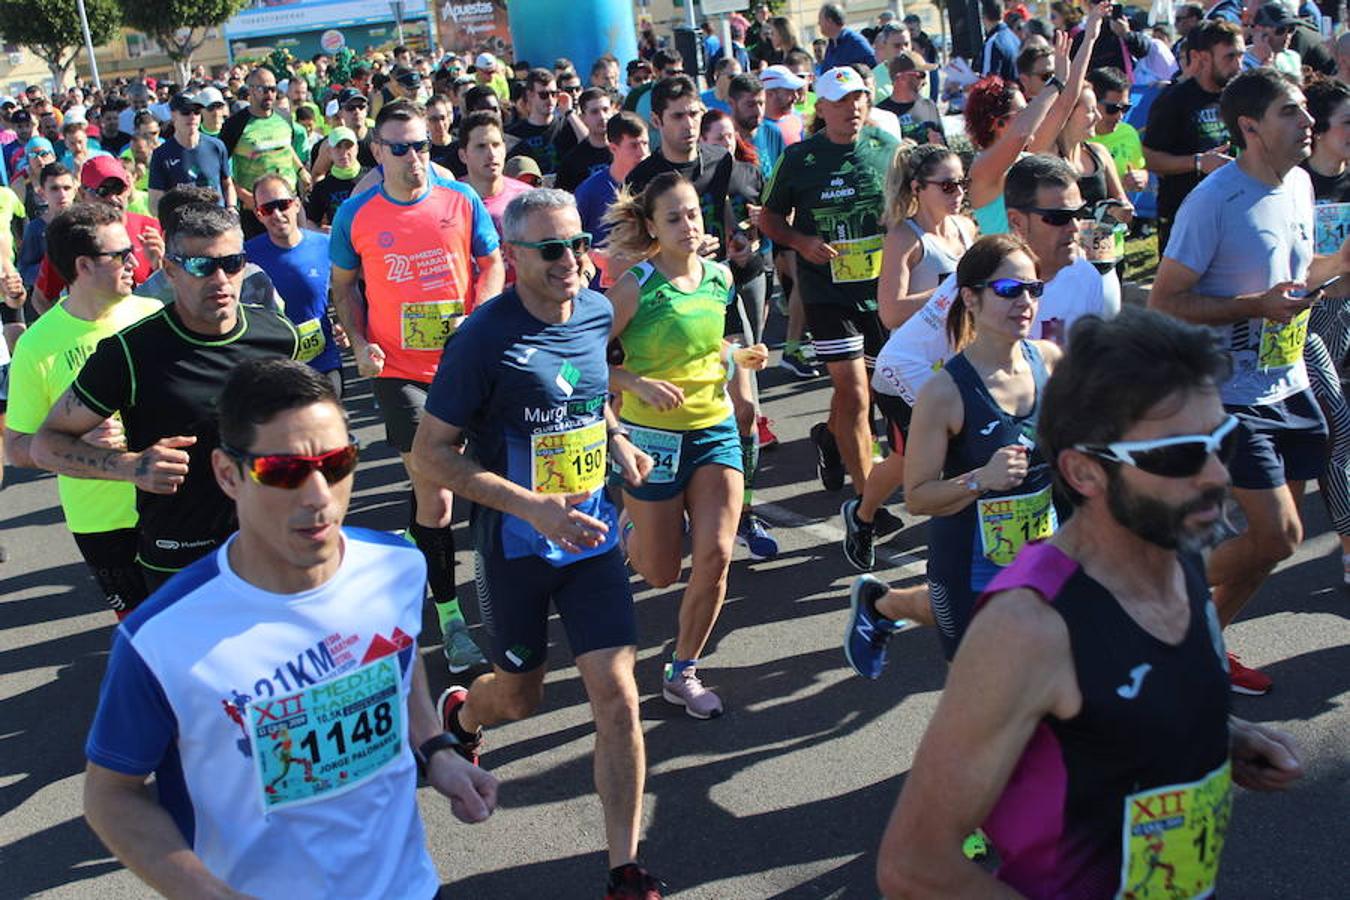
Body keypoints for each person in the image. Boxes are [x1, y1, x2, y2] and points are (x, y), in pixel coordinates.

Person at [875, 307, 1304, 899]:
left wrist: (1222, 738)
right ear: (1085, 472)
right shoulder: (1029, 625)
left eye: (1221, 439)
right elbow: (914, 867)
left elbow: (1110, 716)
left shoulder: (1173, 545)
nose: (1213, 475)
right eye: (1178, 454)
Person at [82, 357, 498, 898]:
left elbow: (401, 660)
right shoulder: (160, 638)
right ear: (228, 474)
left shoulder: (396, 567)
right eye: (283, 471)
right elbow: (110, 796)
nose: (319, 495)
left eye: (337, 462)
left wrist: (438, 750)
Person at [411, 188, 664, 900]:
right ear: (515, 256)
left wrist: (617, 443)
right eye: (552, 249)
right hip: (517, 548)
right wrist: (534, 508)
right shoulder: (482, 338)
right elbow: (430, 456)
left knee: (617, 696)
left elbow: (586, 394)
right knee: (520, 698)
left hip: (590, 541)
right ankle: (462, 714)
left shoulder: (591, 309)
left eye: (578, 244)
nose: (571, 261)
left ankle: (625, 866)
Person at [1150, 68, 1350, 695]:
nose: (1308, 122)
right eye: (1291, 112)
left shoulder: (1297, 185)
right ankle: (1144, 607)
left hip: (1289, 384)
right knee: (1281, 533)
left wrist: (1339, 265)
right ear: (1249, 127)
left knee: (1270, 544)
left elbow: (1298, 277)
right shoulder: (1213, 201)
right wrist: (1253, 306)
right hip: (1227, 396)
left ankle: (1200, 643)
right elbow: (1165, 302)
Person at [32, 202, 299, 590]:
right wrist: (130, 467)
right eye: (201, 266)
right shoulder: (127, 353)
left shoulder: (278, 334)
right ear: (170, 271)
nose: (221, 279)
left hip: (272, 545)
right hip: (183, 561)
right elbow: (45, 445)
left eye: (233, 263)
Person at [330, 99, 504, 676]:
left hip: (464, 364)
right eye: (400, 148)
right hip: (401, 373)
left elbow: (493, 261)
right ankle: (453, 620)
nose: (414, 158)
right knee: (439, 495)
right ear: (377, 152)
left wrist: (477, 317)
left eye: (422, 146)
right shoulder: (354, 215)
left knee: (469, 485)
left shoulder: (461, 200)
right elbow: (344, 288)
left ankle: (417, 557)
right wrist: (358, 340)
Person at [605, 172, 769, 717]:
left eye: (694, 213)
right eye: (673, 217)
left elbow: (715, 345)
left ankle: (683, 670)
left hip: (714, 429)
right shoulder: (634, 286)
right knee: (659, 572)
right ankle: (625, 521)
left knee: (717, 554)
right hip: (652, 438)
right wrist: (634, 383)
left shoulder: (719, 277)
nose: (687, 225)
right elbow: (583, 359)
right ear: (651, 226)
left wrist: (740, 360)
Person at [4, 203, 162, 617]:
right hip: (101, 519)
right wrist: (70, 439)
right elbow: (17, 447)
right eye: (121, 254)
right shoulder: (37, 345)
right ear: (84, 266)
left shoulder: (153, 316)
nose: (134, 261)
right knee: (140, 634)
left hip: (173, 501)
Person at [759, 66, 898, 504]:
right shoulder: (801, 158)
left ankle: (828, 438)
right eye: (839, 101)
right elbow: (769, 218)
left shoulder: (889, 149)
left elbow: (912, 204)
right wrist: (802, 242)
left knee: (869, 389)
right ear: (820, 108)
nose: (851, 107)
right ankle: (867, 502)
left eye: (857, 97)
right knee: (856, 393)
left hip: (881, 289)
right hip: (826, 291)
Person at [844, 145, 976, 570]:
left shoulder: (964, 229)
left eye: (962, 182)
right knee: (911, 461)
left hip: (958, 362)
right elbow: (890, 310)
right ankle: (862, 516)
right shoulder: (904, 235)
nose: (958, 192)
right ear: (918, 188)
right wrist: (949, 289)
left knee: (948, 450)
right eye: (948, 185)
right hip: (910, 368)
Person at [966, 4, 1102, 236]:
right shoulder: (982, 169)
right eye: (1022, 112)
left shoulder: (1026, 157)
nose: (1030, 115)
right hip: (1004, 266)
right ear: (995, 123)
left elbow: (1065, 104)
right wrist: (1055, 82)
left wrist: (1089, 37)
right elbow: (1020, 132)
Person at [1297, 76, 1350, 585]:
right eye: (1347, 123)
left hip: (1349, 311)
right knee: (1338, 428)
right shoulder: (1295, 185)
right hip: (1310, 320)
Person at [1143, 20, 1243, 251]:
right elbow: (1149, 158)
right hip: (1184, 215)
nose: (1238, 65)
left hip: (1231, 211)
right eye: (1229, 57)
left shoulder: (1239, 97)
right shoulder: (1173, 100)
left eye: (1240, 56)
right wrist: (1198, 162)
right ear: (1203, 57)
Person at [246, 175, 342, 395]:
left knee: (330, 423)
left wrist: (345, 324)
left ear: (297, 204)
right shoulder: (246, 256)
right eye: (267, 209)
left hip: (322, 359)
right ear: (258, 215)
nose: (277, 215)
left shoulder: (324, 245)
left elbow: (347, 292)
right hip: (274, 368)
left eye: (283, 205)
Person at [31, 156, 163, 314]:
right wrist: (67, 330)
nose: (113, 198)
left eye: (118, 188)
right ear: (82, 193)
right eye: (103, 191)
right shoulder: (69, 237)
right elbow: (40, 299)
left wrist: (160, 266)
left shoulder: (151, 228)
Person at [219, 68, 311, 239]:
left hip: (288, 202)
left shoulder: (284, 117)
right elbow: (220, 168)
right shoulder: (235, 125)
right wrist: (245, 196)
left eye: (273, 89)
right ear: (251, 90)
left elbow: (285, 147)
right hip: (257, 208)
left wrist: (301, 171)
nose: (269, 94)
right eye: (264, 89)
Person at [458, 111, 532, 287]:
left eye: (496, 145)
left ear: (505, 149)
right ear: (463, 155)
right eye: (481, 146)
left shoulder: (527, 198)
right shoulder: (450, 202)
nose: (491, 154)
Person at [578, 111, 649, 288]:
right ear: (613, 148)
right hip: (604, 290)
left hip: (647, 286)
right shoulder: (590, 191)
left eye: (645, 144)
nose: (642, 153)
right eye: (633, 146)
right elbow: (573, 239)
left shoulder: (654, 185)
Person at [148, 91, 234, 215]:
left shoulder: (216, 146)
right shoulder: (161, 154)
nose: (192, 116)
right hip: (185, 229)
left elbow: (227, 185)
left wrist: (231, 208)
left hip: (216, 223)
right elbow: (154, 205)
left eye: (197, 112)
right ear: (173, 115)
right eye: (186, 112)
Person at [1086, 66, 1151, 195]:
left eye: (1125, 108)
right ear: (1091, 102)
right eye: (1113, 109)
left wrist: (1141, 177)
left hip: (1118, 213)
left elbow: (1140, 168)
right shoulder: (1072, 136)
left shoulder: (1128, 132)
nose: (1120, 116)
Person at [506, 68, 577, 177]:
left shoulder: (567, 125)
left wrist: (570, 112)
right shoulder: (513, 134)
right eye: (543, 95)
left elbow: (590, 143)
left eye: (554, 94)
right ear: (530, 95)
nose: (550, 100)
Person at [17, 161, 75, 287]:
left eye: (67, 188)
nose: (62, 195)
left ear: (75, 190)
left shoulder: (88, 223)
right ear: (42, 193)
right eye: (54, 189)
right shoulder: (35, 229)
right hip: (50, 300)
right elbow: (25, 271)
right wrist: (52, 269)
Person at [304, 126, 365, 230]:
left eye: (348, 146)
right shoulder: (322, 187)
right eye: (338, 147)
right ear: (329, 152)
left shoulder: (372, 178)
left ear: (357, 149)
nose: (344, 153)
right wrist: (322, 232)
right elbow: (310, 223)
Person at [878, 51, 943, 145]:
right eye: (921, 75)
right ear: (902, 77)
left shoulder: (929, 106)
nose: (925, 82)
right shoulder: (881, 113)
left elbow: (945, 149)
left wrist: (939, 144)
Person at [556, 88, 614, 193]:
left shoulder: (625, 150)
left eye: (605, 110)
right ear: (583, 118)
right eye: (594, 112)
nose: (602, 117)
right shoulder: (571, 161)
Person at [1243, 3, 1302, 80]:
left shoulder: (1292, 58)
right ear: (1259, 30)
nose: (1287, 36)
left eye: (1291, 29)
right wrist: (1265, 60)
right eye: (1281, 30)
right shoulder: (1242, 62)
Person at [817, 3, 877, 74]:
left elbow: (875, 66)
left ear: (829, 21)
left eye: (820, 19)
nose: (818, 23)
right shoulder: (831, 45)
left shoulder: (855, 41)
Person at [981, 0, 1021, 80]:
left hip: (1005, 91)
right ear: (1002, 14)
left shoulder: (993, 42)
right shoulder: (1014, 38)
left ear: (983, 16)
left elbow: (987, 83)